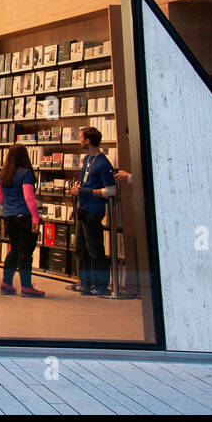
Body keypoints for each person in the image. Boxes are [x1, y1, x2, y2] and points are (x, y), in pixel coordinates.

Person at [75, 126, 122, 296]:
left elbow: (111, 190)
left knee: (95, 249)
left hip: (94, 211)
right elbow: (86, 182)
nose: (79, 141)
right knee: (81, 248)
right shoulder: (87, 159)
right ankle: (85, 283)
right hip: (83, 209)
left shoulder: (103, 163)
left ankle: (101, 285)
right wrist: (79, 189)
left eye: (81, 138)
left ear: (88, 141)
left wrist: (86, 192)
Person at [0, 145, 43, 296]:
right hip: (24, 217)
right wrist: (35, 217)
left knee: (14, 250)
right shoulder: (26, 174)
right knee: (25, 253)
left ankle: (6, 283)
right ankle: (27, 286)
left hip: (9, 217)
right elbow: (29, 197)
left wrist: (10, 206)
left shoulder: (2, 175)